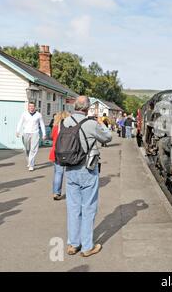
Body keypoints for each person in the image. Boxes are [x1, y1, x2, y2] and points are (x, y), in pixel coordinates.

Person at [63, 96, 112, 257]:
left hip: (69, 169)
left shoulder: (65, 122)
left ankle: (73, 244)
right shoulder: (90, 123)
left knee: (73, 207)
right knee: (89, 208)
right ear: (87, 108)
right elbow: (108, 137)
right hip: (87, 169)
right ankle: (87, 247)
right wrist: (100, 122)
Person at [16, 101, 46, 171]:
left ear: (35, 107)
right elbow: (20, 122)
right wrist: (17, 131)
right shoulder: (24, 114)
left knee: (33, 149)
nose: (31, 108)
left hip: (35, 133)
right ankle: (29, 161)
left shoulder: (38, 115)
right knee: (27, 149)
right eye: (30, 106)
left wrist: (44, 134)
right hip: (26, 133)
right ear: (28, 107)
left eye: (32, 106)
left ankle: (31, 165)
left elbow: (42, 124)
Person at [49, 111, 70, 200]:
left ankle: (56, 192)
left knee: (58, 173)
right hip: (68, 152)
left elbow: (51, 137)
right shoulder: (69, 127)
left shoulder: (55, 127)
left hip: (56, 152)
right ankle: (71, 192)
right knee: (69, 173)